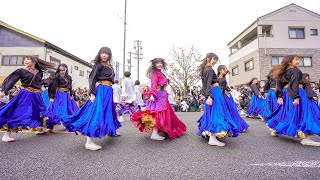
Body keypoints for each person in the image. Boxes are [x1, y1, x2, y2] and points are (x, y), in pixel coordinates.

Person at [61, 47, 121, 150]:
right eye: (103, 53)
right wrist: (92, 93)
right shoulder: (98, 65)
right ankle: (89, 142)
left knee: (109, 112)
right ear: (99, 54)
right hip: (101, 90)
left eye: (106, 53)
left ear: (109, 55)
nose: (104, 55)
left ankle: (111, 130)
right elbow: (92, 79)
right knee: (96, 113)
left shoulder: (109, 65)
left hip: (108, 91)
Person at [266, 55, 320, 146]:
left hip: (286, 94)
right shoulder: (295, 71)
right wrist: (296, 97)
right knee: (304, 114)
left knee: (286, 114)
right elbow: (294, 84)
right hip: (297, 93)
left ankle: (276, 129)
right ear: (289, 62)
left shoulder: (282, 72)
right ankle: (306, 137)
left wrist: (279, 96)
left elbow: (279, 84)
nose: (298, 61)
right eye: (296, 60)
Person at [0, 56, 55, 142]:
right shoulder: (21, 71)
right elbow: (11, 80)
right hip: (25, 94)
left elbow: (38, 83)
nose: (25, 61)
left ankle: (40, 129)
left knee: (40, 111)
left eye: (27, 59)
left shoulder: (39, 72)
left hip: (36, 95)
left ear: (34, 61)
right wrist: (4, 91)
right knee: (17, 113)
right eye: (24, 60)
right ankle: (6, 135)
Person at [130, 58, 187, 140]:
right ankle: (154, 133)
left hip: (163, 95)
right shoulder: (155, 74)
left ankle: (160, 130)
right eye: (157, 63)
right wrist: (152, 94)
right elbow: (153, 85)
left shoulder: (161, 74)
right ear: (154, 64)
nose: (159, 64)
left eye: (160, 63)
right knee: (158, 113)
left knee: (164, 113)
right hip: (158, 95)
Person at [197, 53, 240, 146]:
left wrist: (208, 95)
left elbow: (205, 84)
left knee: (214, 114)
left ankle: (212, 136)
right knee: (217, 114)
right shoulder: (208, 69)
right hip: (215, 92)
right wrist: (209, 96)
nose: (215, 61)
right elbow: (207, 84)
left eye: (216, 59)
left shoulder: (206, 69)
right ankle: (212, 138)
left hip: (215, 92)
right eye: (214, 59)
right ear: (208, 59)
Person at [44, 64, 76, 133]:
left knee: (69, 110)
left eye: (63, 70)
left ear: (66, 69)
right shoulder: (56, 77)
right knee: (56, 110)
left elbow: (70, 86)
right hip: (59, 95)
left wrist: (71, 94)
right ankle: (50, 126)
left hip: (66, 95)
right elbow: (52, 87)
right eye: (61, 70)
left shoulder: (69, 77)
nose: (62, 71)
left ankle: (67, 124)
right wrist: (51, 97)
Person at [217, 65, 249, 132]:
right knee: (230, 111)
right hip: (225, 97)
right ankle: (235, 126)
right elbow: (222, 89)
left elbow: (222, 88)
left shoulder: (220, 79)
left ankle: (230, 126)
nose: (225, 70)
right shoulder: (221, 79)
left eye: (225, 69)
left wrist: (228, 90)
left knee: (227, 112)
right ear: (220, 70)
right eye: (224, 69)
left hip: (224, 96)